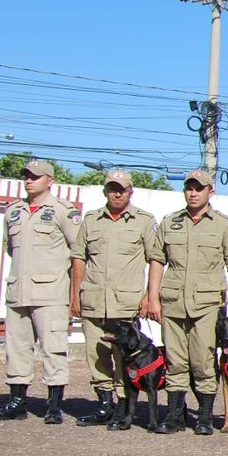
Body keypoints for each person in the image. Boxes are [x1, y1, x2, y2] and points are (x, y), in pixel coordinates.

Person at [144, 169, 228, 434]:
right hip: (173, 300)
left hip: (207, 303)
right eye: (189, 187)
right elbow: (157, 260)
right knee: (175, 359)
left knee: (203, 360)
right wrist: (152, 297)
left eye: (198, 188)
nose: (193, 192)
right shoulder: (170, 222)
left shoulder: (224, 224)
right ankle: (176, 415)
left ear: (210, 191)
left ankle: (204, 417)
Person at [0, 159, 81, 423]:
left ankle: (53, 405)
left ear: (49, 181)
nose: (29, 180)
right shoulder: (13, 211)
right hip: (18, 290)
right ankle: (17, 401)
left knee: (53, 349)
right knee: (17, 348)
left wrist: (74, 294)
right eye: (27, 176)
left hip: (51, 293)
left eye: (35, 176)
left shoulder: (63, 211)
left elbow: (77, 253)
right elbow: (11, 248)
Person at [71, 169, 156, 428]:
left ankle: (123, 406)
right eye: (112, 188)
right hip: (94, 299)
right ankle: (104, 404)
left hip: (126, 303)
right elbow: (79, 257)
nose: (117, 193)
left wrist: (149, 296)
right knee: (95, 355)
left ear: (131, 191)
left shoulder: (144, 220)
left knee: (125, 358)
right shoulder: (91, 219)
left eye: (122, 189)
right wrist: (75, 295)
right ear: (105, 191)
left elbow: (155, 259)